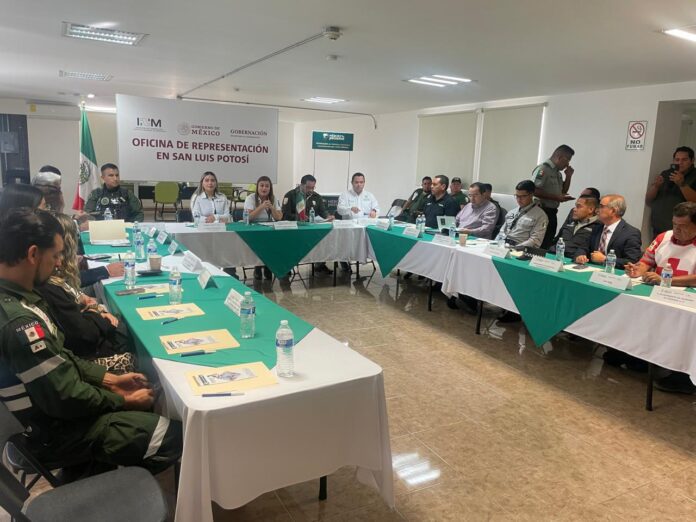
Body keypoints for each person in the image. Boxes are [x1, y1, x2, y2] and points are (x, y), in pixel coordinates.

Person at [0, 208, 181, 474]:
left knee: (143, 405)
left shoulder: (21, 299)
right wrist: (122, 400)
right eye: (55, 255)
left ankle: (96, 468)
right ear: (33, 254)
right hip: (53, 434)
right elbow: (66, 397)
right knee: (172, 436)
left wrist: (110, 380)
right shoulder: (19, 323)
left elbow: (62, 359)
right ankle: (99, 487)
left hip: (51, 415)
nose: (59, 264)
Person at [37, 213, 136, 373]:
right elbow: (83, 333)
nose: (59, 262)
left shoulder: (50, 282)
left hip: (83, 347)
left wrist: (91, 309)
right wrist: (95, 313)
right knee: (123, 329)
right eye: (55, 255)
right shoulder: (49, 286)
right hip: (88, 354)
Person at [281, 174, 335, 274]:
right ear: (301, 185)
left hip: (311, 229)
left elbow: (323, 211)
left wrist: (328, 216)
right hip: (294, 230)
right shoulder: (291, 195)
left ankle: (319, 264)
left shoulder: (316, 197)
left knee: (323, 238)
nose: (310, 190)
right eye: (308, 187)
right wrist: (298, 218)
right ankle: (287, 266)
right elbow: (285, 215)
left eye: (313, 187)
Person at [574, 194, 642, 269]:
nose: (597, 210)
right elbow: (583, 247)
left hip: (614, 273)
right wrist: (580, 255)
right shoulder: (597, 228)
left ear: (613, 211)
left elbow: (632, 261)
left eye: (601, 206)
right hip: (592, 269)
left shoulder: (631, 233)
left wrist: (605, 259)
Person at [645, 146, 696, 238]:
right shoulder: (666, 173)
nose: (680, 163)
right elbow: (648, 200)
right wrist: (656, 186)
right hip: (658, 229)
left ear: (692, 160)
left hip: (683, 230)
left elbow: (694, 200)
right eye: (677, 159)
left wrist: (682, 184)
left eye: (684, 160)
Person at [533, 144, 576, 248]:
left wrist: (568, 176)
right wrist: (556, 198)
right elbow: (534, 190)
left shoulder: (557, 173)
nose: (568, 164)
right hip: (541, 211)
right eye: (567, 160)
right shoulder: (543, 169)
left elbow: (563, 191)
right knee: (538, 243)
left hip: (552, 212)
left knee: (547, 242)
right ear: (560, 157)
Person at [245, 176, 283, 280]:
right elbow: (248, 217)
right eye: (261, 185)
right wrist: (261, 207)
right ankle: (257, 266)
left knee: (277, 241)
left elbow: (279, 217)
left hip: (269, 228)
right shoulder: (250, 198)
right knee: (260, 241)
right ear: (257, 187)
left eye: (267, 186)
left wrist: (272, 207)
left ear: (270, 188)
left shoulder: (273, 198)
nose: (264, 188)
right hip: (254, 229)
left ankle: (268, 266)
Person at [500, 180, 548, 248]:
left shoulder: (540, 216)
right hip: (503, 245)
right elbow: (501, 232)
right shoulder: (512, 212)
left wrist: (514, 248)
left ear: (531, 195)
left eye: (523, 196)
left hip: (520, 249)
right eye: (517, 196)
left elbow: (535, 241)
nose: (519, 200)